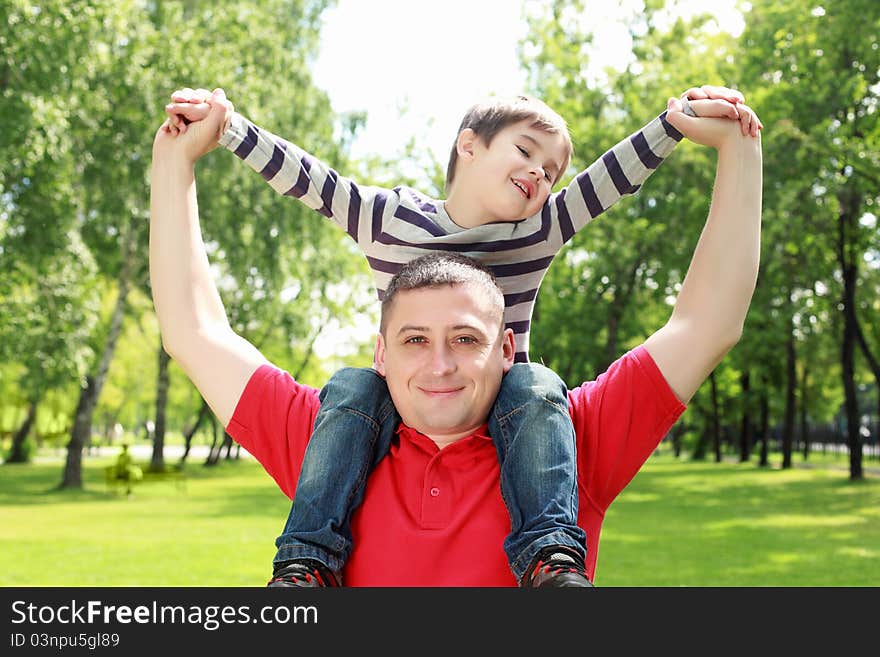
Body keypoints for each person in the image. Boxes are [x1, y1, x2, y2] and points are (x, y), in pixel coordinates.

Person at [154, 88, 761, 586]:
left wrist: (728, 143)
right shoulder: (334, 445)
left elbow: (703, 321)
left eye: (467, 339)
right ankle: (305, 565)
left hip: (526, 430)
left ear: (504, 347)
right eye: (415, 339)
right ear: (382, 352)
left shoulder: (560, 443)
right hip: (361, 420)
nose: (441, 364)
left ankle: (549, 560)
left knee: (536, 385)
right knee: (351, 391)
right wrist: (189, 151)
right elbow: (198, 327)